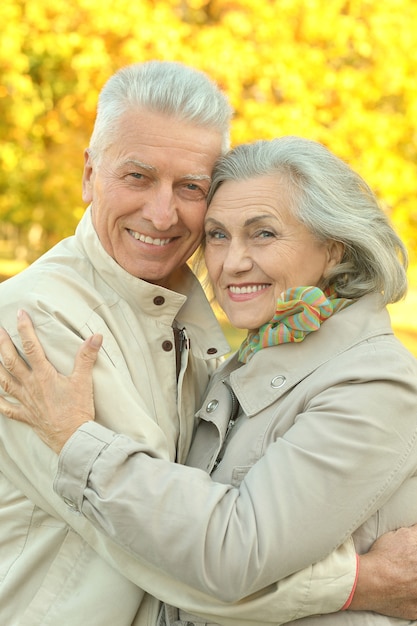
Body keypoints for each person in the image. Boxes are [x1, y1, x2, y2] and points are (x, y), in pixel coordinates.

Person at [0, 59, 369, 626]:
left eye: (190, 187)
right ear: (88, 175)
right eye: (138, 176)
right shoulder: (33, 323)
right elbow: (166, 550)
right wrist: (362, 582)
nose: (163, 212)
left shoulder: (195, 313)